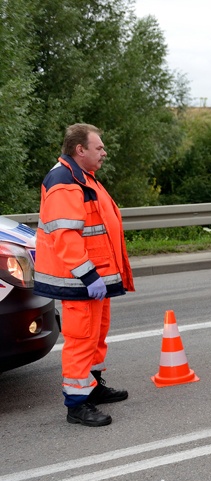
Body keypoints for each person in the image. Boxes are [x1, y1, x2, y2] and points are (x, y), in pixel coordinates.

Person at [33, 123, 134, 427]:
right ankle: (77, 404)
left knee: (96, 335)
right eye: (99, 147)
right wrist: (89, 276)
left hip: (93, 278)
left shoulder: (83, 177)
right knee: (81, 340)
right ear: (80, 150)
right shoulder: (64, 181)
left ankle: (93, 385)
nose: (104, 152)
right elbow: (65, 236)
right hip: (80, 279)